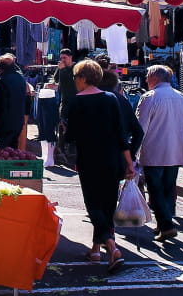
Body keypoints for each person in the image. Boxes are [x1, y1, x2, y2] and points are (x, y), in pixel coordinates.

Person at [65, 58, 134, 273]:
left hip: (89, 159)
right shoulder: (111, 99)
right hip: (112, 159)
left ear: (83, 78)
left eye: (76, 77)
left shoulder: (75, 102)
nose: (75, 81)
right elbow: (121, 134)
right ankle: (96, 250)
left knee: (94, 205)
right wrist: (130, 163)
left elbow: (70, 137)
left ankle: (111, 247)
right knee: (106, 204)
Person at [134, 64, 183, 241]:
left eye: (147, 76)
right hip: (176, 151)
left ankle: (166, 225)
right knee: (168, 189)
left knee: (155, 190)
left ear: (155, 78)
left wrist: (135, 152)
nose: (146, 80)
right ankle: (164, 222)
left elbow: (141, 128)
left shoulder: (149, 98)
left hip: (154, 152)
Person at [0, 53, 31, 150]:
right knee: (13, 151)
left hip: (4, 124)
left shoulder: (2, 81)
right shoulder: (21, 79)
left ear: (0, 68)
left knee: (3, 152)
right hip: (18, 122)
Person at [98, 70, 144, 162]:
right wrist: (131, 155)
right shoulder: (122, 101)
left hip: (92, 155)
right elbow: (138, 132)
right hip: (116, 155)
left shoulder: (86, 99)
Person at [54, 48, 77, 164]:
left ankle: (71, 152)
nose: (63, 60)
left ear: (70, 58)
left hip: (75, 102)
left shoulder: (76, 68)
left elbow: (70, 82)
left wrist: (63, 70)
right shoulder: (61, 68)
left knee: (72, 126)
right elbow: (56, 79)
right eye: (61, 58)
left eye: (65, 58)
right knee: (62, 125)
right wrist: (59, 70)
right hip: (64, 101)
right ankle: (61, 150)